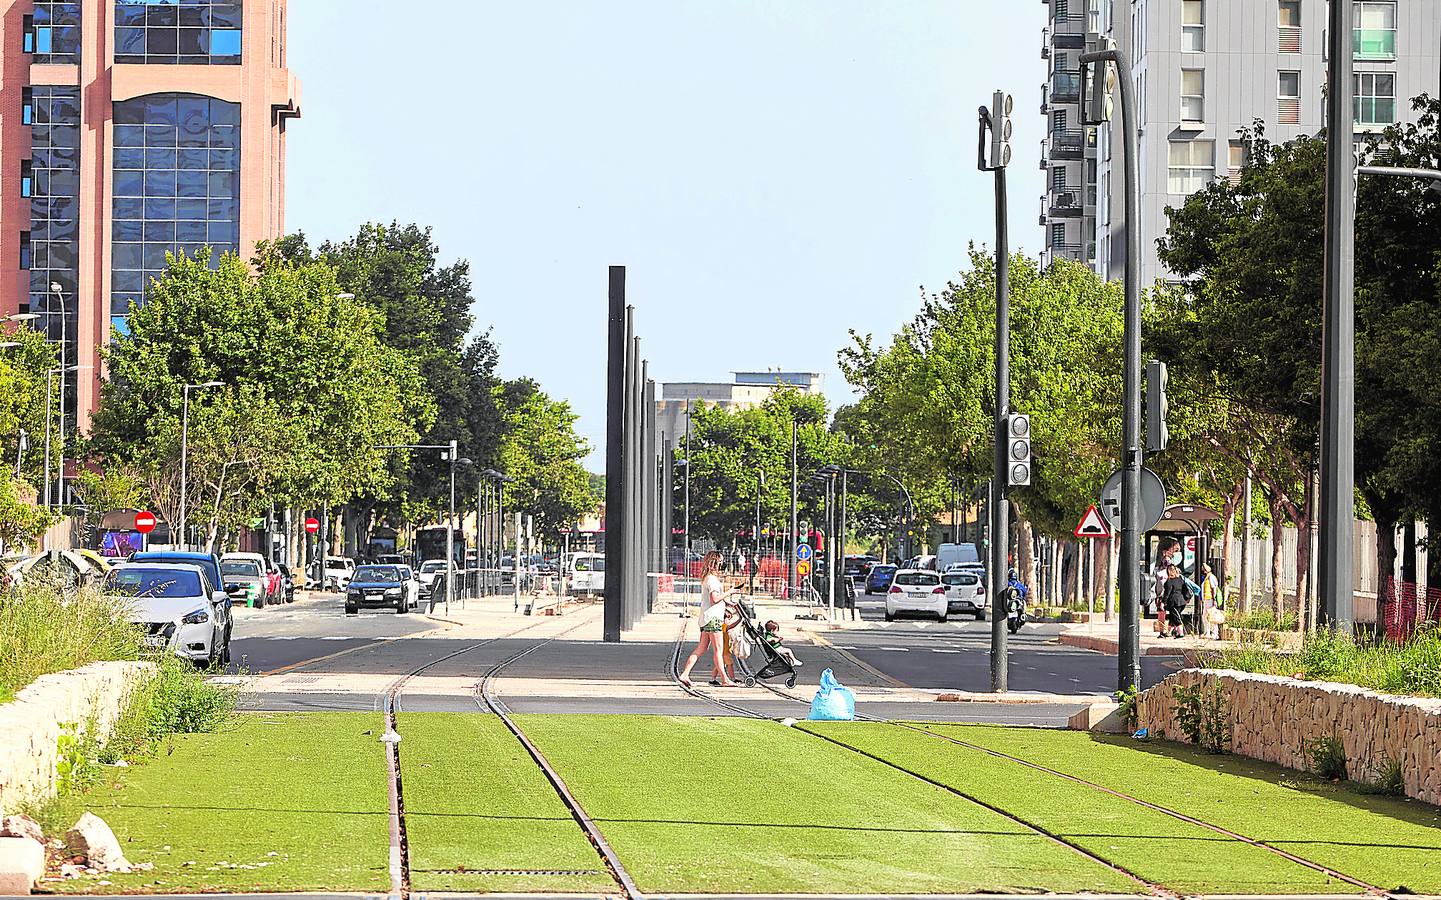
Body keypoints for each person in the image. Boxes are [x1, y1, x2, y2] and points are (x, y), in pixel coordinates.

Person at [678, 551, 737, 688]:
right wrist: (730, 592)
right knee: (719, 650)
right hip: (713, 619)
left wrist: (727, 605)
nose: (722, 564)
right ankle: (725, 679)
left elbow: (712, 600)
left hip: (706, 618)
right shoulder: (712, 580)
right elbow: (714, 599)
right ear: (716, 562)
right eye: (721, 561)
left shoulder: (707, 578)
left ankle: (685, 674)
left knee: (701, 648)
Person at [1161, 564, 1189, 638]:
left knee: (1176, 617)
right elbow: (1185, 590)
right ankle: (1169, 632)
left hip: (1173, 602)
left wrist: (1163, 602)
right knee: (1172, 617)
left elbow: (1167, 593)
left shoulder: (1169, 581)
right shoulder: (1180, 580)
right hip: (1182, 601)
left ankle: (1181, 633)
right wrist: (1186, 599)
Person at [1200, 563, 1222, 639]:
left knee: (1212, 616)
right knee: (1205, 616)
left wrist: (1214, 599)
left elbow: (1213, 588)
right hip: (1206, 599)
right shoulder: (1207, 578)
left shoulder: (1211, 577)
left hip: (1210, 599)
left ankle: (1214, 633)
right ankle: (1207, 632)